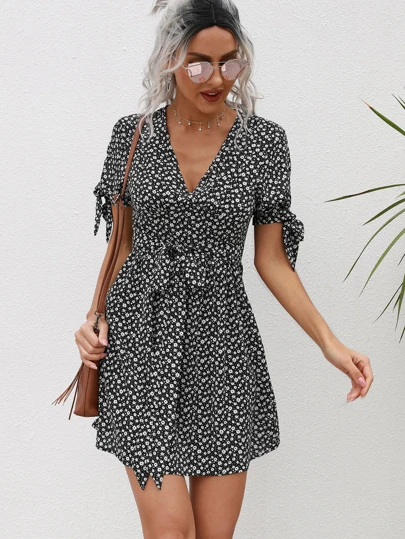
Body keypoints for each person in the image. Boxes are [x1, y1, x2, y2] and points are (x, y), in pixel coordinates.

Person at [73, 1, 374, 537]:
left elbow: (271, 259)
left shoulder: (264, 143)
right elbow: (121, 246)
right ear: (170, 60)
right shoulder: (131, 135)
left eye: (229, 62)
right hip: (142, 339)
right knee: (171, 531)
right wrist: (95, 319)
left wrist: (329, 343)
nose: (216, 78)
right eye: (199, 63)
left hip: (223, 346)